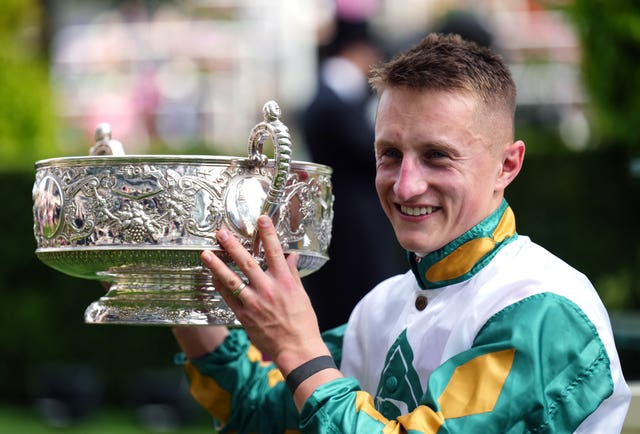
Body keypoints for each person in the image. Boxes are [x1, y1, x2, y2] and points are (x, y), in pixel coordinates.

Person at [172, 33, 631, 433]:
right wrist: (168, 270)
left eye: (437, 156)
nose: (406, 185)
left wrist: (298, 348)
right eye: (389, 154)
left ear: (506, 165)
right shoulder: (383, 305)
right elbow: (260, 410)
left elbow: (309, 379)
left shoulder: (545, 309)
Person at [301, 18, 406, 331]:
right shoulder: (335, 102)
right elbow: (366, 152)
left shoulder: (330, 97)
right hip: (354, 222)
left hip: (340, 217)